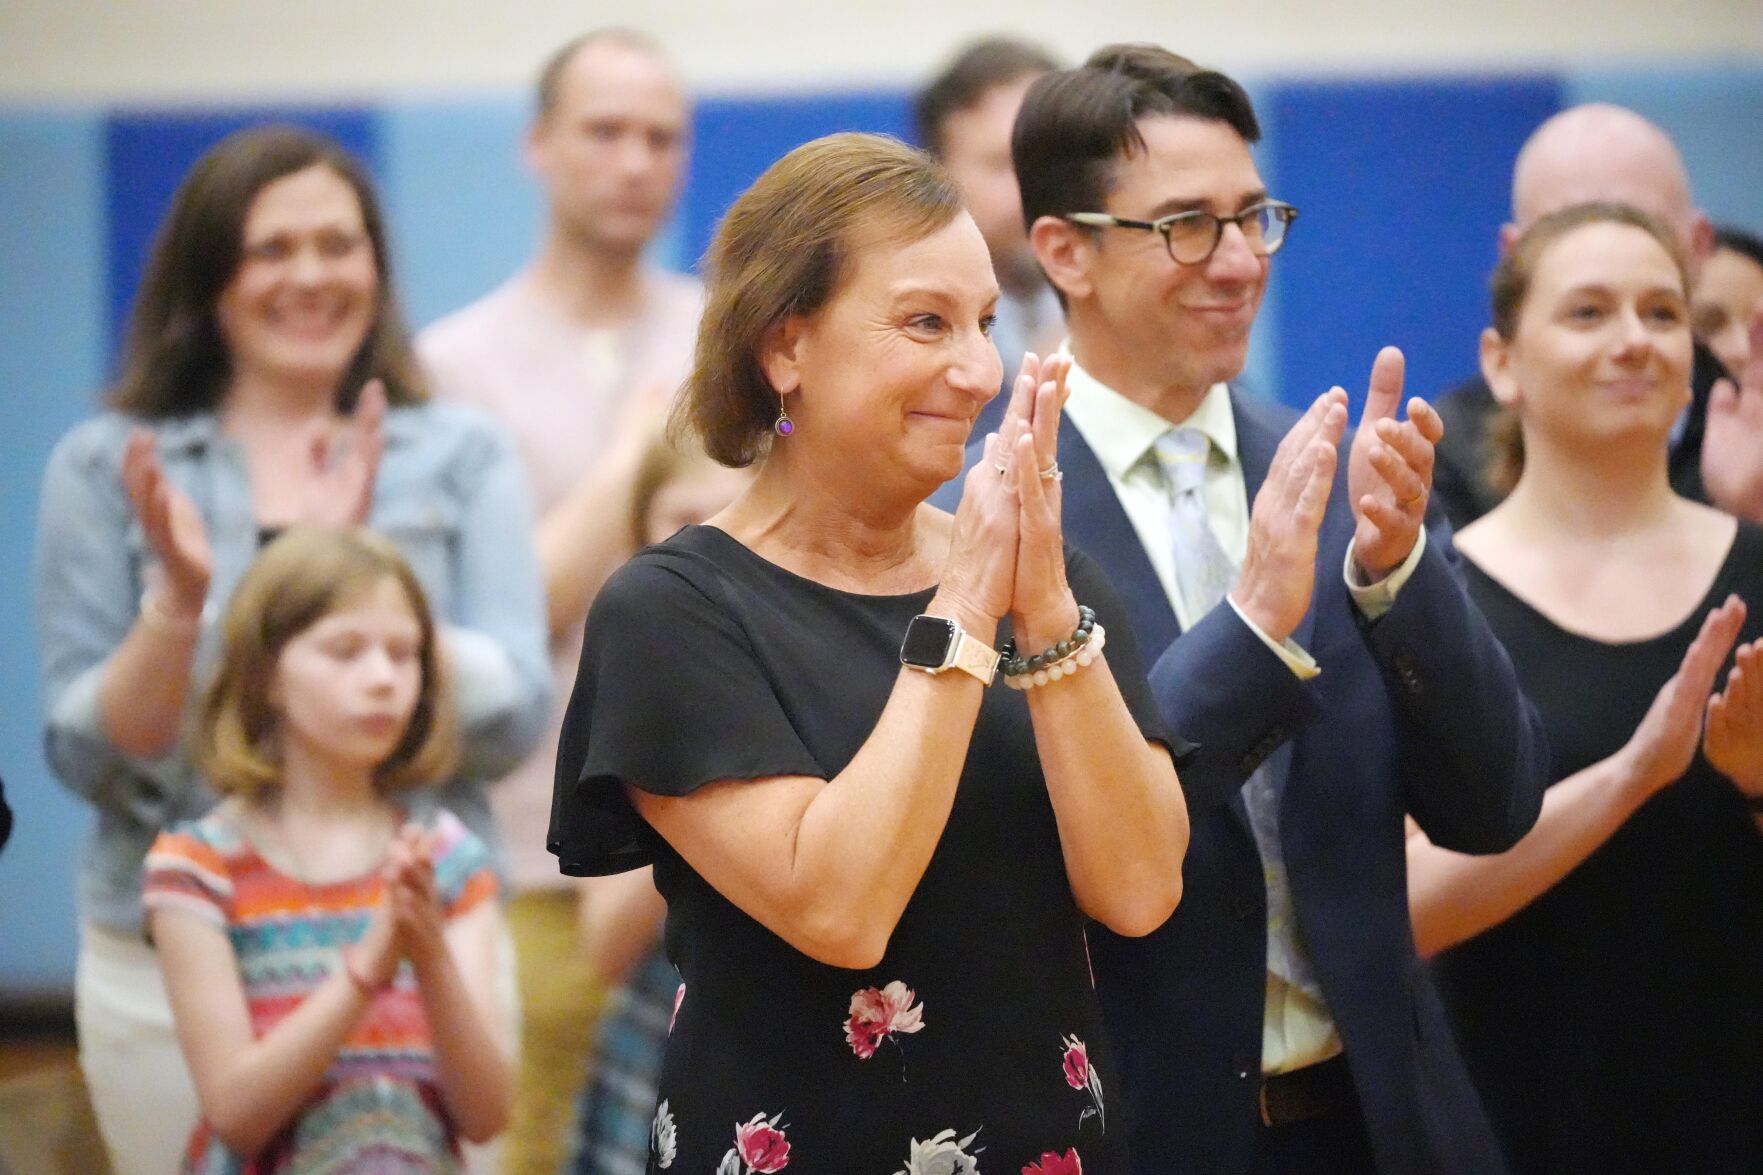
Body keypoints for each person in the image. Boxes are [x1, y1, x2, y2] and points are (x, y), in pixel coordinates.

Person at [550, 132, 1188, 1174]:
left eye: (983, 323)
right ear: (783, 347)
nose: (976, 368)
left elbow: (1139, 888)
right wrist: (971, 607)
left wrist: (1042, 610)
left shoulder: (1042, 578)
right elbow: (839, 906)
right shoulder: (672, 609)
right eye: (924, 322)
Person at [989, 45, 1550, 1173]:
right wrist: (1247, 630)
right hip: (1138, 1131)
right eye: (1185, 224)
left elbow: (1495, 803)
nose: (1239, 260)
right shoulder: (995, 523)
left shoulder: (1333, 475)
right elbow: (1052, 855)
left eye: (1254, 216)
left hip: (1379, 1119)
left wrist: (1397, 576)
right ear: (1064, 251)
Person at [33, 125, 549, 1175]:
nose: (310, 275)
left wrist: (350, 569)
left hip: (421, 925)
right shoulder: (107, 464)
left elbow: (509, 710)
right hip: (169, 943)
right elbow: (92, 750)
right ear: (208, 273)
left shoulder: (456, 449)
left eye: (337, 244)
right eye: (272, 249)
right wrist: (180, 608)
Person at [1406, 203, 1763, 1173]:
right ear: (1501, 362)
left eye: (1659, 313)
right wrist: (1629, 778)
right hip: (1506, 1124)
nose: (1631, 341)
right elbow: (1399, 909)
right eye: (1587, 312)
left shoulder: (1755, 572)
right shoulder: (1430, 603)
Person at [416, 33, 699, 1172]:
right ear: (537, 146)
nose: (635, 161)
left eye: (661, 136)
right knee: (531, 1145)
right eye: (604, 131)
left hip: (729, 835)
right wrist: (635, 455)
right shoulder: (451, 366)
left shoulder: (727, 332)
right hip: (536, 849)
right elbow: (500, 622)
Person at [143, 527, 515, 1171]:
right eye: (345, 651)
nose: (381, 679)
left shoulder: (447, 861)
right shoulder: (198, 870)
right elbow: (238, 1115)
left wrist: (428, 955)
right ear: (266, 677)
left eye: (404, 654)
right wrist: (371, 962)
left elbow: (485, 1115)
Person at [1430, 104, 1763, 527]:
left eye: (1643, 226)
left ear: (1698, 250)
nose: (1608, 252)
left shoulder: (1752, 436)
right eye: (1566, 229)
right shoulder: (1453, 448)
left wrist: (1751, 524)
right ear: (1515, 259)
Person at [567, 433, 748, 1175]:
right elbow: (604, 945)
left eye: (734, 521)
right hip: (668, 1023)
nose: (706, 551)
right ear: (640, 533)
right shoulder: (629, 683)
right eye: (683, 520)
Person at [916, 36, 1062, 438]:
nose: (1034, 188)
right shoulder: (899, 322)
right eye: (1004, 164)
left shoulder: (1134, 308)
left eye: (1052, 160)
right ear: (937, 175)